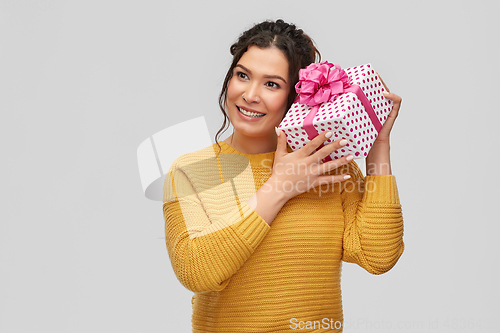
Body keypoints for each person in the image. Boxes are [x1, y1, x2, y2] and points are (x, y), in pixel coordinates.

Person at [163, 19, 404, 333]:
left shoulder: (328, 165)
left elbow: (378, 256)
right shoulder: (193, 170)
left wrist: (378, 148)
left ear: (295, 96)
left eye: (271, 84)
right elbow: (196, 271)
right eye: (242, 76)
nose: (250, 94)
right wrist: (279, 186)